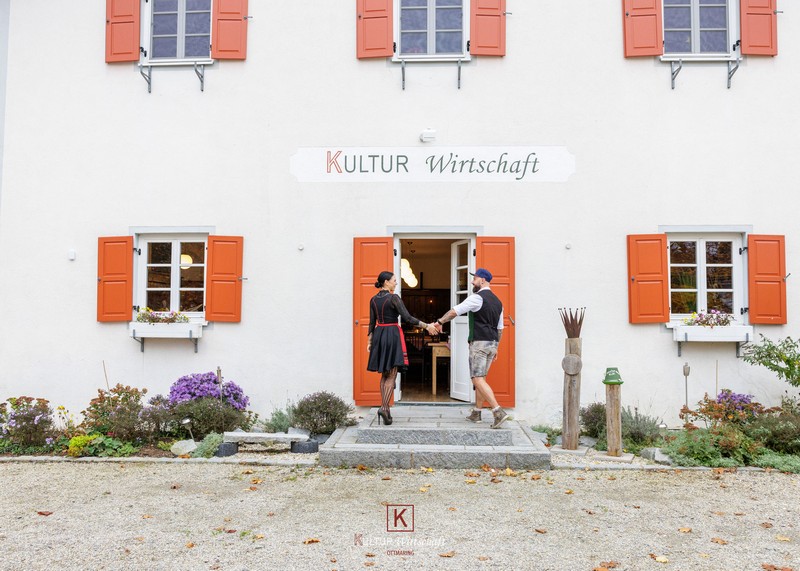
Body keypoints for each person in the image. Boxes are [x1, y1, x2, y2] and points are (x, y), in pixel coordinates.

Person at [433, 268, 511, 429]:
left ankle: (498, 411)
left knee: (477, 379)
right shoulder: (498, 302)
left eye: (474, 279)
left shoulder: (477, 298)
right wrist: (496, 347)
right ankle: (477, 412)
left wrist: (439, 322)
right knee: (481, 378)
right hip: (492, 343)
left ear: (482, 280)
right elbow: (500, 328)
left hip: (480, 343)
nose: (472, 282)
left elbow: (455, 311)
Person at [367, 271, 437, 425]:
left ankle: (385, 409)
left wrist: (370, 342)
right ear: (386, 282)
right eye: (394, 280)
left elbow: (372, 323)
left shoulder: (373, 300)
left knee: (384, 374)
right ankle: (384, 408)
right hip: (392, 334)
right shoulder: (394, 298)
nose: (396, 283)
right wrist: (427, 326)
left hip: (379, 335)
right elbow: (408, 318)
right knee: (392, 374)